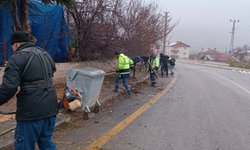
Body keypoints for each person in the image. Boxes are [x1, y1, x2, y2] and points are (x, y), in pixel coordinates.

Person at [0, 31, 58, 149]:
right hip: (50, 109)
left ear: (15, 45)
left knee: (24, 146)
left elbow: (9, 88)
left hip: (31, 113)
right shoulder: (45, 54)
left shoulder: (17, 57)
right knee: (47, 143)